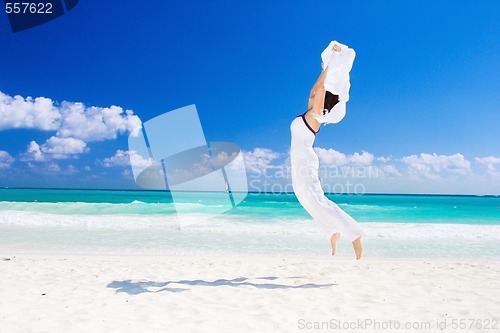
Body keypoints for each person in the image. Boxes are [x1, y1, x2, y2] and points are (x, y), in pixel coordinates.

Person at [290, 43, 363, 259]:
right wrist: (326, 65)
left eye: (314, 97)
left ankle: (355, 234)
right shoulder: (310, 112)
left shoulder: (316, 114)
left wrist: (329, 67)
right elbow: (316, 88)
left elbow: (320, 89)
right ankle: (332, 231)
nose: (310, 95)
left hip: (305, 160)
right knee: (305, 197)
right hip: (298, 161)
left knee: (316, 199)